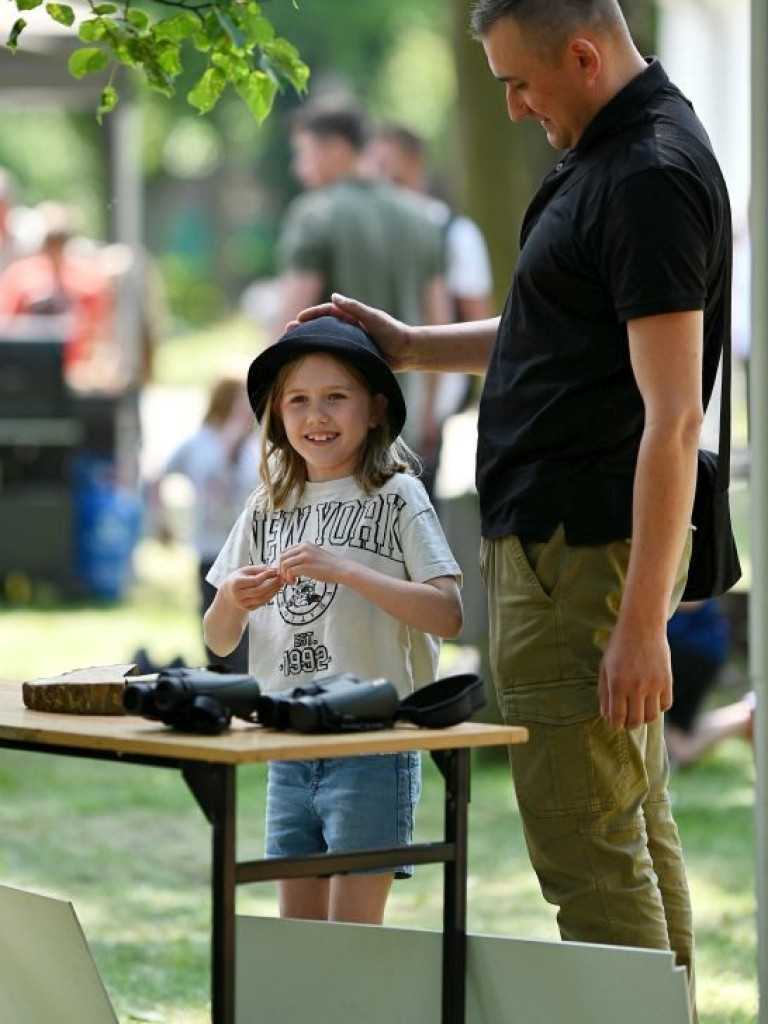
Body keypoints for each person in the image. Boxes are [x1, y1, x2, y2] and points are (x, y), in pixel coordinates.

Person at [294, 0, 733, 1014]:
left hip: (582, 564)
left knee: (589, 851)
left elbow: (672, 420)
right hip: (556, 556)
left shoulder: (650, 174)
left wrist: (638, 628)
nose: (514, 105)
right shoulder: (603, 148)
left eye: (520, 82)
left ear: (583, 53)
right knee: (628, 830)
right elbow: (556, 321)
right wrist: (410, 344)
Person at [203, 317, 462, 924]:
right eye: (298, 401)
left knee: (352, 940)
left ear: (374, 410)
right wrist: (234, 599)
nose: (316, 416)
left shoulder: (397, 496)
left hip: (371, 746)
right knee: (299, 939)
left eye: (334, 397)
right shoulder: (266, 507)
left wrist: (347, 571)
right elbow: (218, 641)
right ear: (277, 416)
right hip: (287, 744)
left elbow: (447, 614)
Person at [272, 98, 451, 475]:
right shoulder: (422, 216)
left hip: (330, 435)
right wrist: (431, 411)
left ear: (336, 149)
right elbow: (437, 319)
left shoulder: (315, 214)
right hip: (406, 424)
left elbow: (289, 318)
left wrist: (260, 408)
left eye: (302, 154)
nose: (297, 169)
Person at [367, 123, 495, 499]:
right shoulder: (376, 228)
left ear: (415, 162)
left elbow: (477, 314)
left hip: (432, 387)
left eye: (388, 165)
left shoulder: (452, 232)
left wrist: (438, 400)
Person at [149, 366, 259, 673]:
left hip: (249, 551)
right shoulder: (200, 443)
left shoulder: (253, 446)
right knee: (215, 624)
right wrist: (162, 521)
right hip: (212, 549)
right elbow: (159, 477)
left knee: (250, 631)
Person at [666, 600, 754, 766]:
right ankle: (748, 712)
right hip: (695, 646)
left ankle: (749, 713)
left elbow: (692, 600)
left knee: (677, 748)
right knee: (676, 740)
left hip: (692, 648)